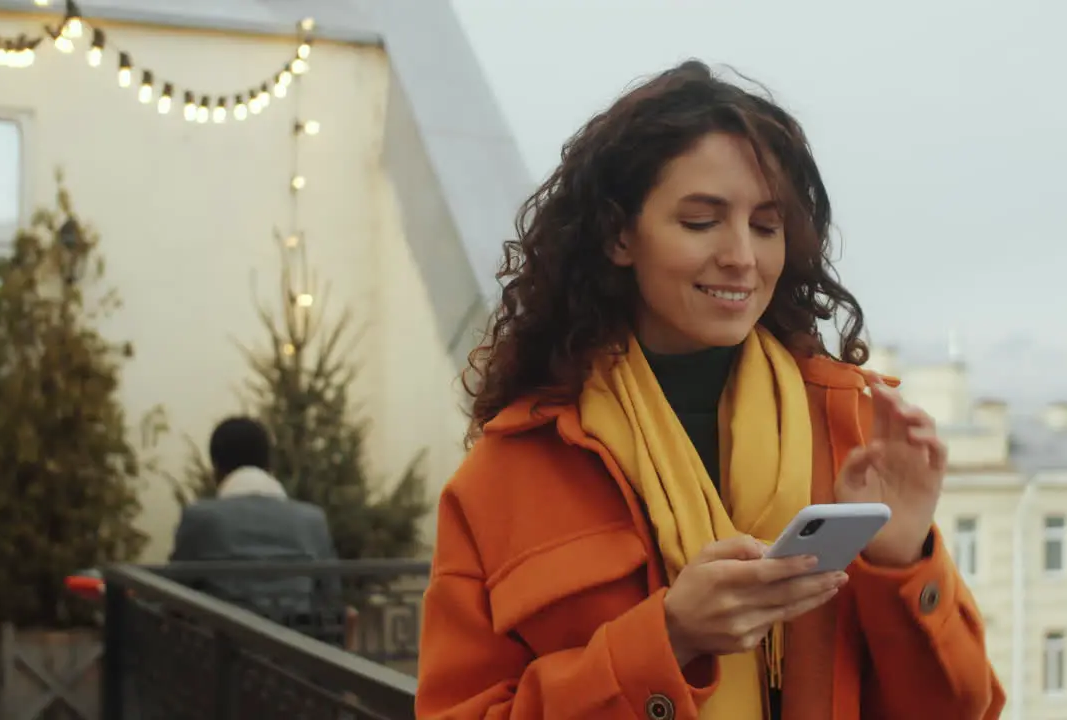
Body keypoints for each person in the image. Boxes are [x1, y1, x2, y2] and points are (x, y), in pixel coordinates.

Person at [416, 60, 1003, 720]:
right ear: (617, 236)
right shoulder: (507, 474)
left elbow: (961, 709)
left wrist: (904, 561)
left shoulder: (850, 432)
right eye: (701, 222)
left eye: (765, 225)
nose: (742, 258)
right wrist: (668, 638)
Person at [170, 416, 345, 644]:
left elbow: (175, 592)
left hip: (222, 658)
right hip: (298, 659)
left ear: (217, 470)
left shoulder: (201, 518)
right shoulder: (313, 520)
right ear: (268, 465)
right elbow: (330, 598)